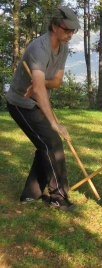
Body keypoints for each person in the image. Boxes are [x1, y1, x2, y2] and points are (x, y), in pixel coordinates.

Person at [6, 6, 81, 212]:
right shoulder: (39, 48)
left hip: (36, 101)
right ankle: (58, 197)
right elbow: (37, 88)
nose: (70, 34)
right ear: (55, 26)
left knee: (46, 142)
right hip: (20, 103)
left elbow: (55, 82)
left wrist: (42, 85)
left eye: (73, 31)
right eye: (67, 30)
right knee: (50, 142)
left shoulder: (63, 47)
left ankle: (31, 194)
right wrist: (54, 123)